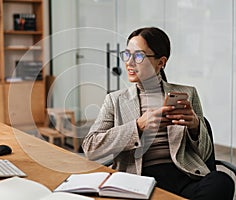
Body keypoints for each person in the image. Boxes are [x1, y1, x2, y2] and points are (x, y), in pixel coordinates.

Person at [82, 27, 235, 200]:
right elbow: (91, 148)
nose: (129, 63)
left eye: (138, 56)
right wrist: (138, 126)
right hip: (140, 179)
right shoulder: (115, 100)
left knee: (222, 181)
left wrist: (195, 127)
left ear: (161, 62)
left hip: (184, 175)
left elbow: (206, 155)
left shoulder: (188, 93)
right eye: (127, 54)